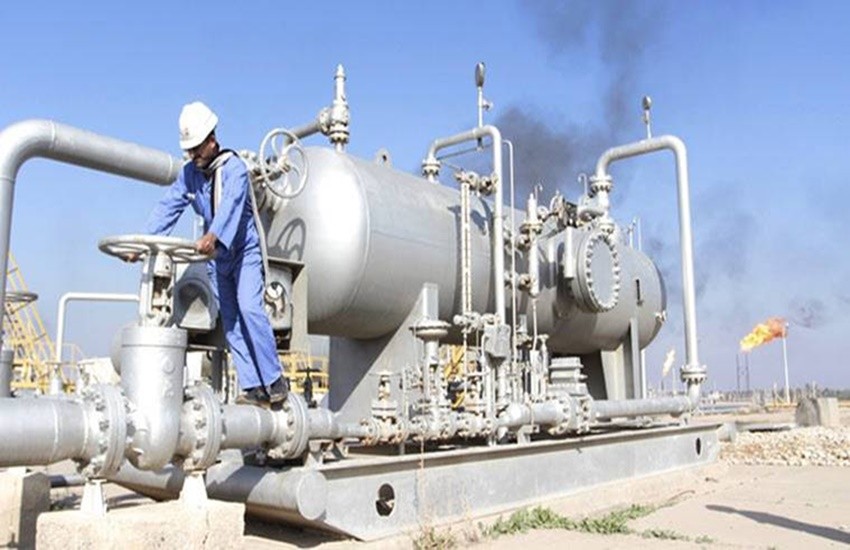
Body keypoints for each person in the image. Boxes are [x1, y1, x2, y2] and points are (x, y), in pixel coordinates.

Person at [143, 101, 287, 407]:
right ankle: (253, 386)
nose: (192, 156)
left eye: (196, 149)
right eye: (188, 150)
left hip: (244, 252)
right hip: (218, 260)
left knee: (250, 309)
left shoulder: (234, 169)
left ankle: (274, 380)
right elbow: (169, 206)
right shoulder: (190, 174)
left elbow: (230, 205)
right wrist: (147, 241)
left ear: (211, 140)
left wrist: (213, 235)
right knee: (231, 321)